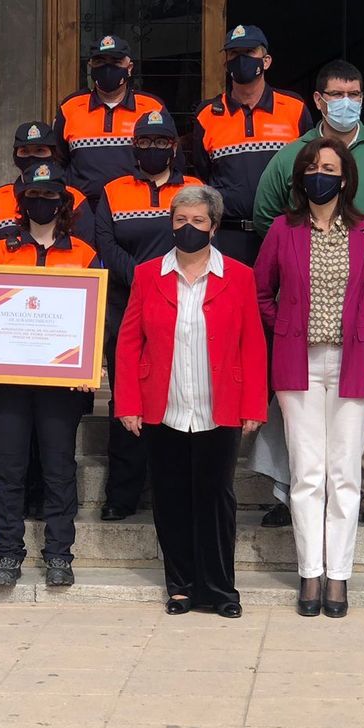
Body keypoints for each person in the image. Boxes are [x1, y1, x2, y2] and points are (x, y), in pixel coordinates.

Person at [253, 59, 364, 534]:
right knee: (299, 401)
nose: (347, 102)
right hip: (306, 298)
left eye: (355, 93)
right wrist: (293, 260)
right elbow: (268, 215)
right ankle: (290, 493)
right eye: (337, 94)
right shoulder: (292, 156)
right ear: (319, 100)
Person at [255, 139, 364, 619]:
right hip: (298, 365)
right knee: (306, 473)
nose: (321, 174)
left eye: (330, 168)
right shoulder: (282, 229)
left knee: (344, 474)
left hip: (353, 364)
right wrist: (288, 326)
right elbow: (261, 292)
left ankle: (338, 576)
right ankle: (309, 572)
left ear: (345, 177)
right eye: (313, 167)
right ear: (301, 176)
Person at [115, 185, 267, 617]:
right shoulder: (148, 275)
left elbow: (253, 344)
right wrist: (127, 402)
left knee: (217, 498)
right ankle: (180, 586)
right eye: (181, 221)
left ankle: (220, 590)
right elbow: (128, 344)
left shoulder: (239, 275)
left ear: (214, 227)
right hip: (164, 406)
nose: (189, 228)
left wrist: (254, 404)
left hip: (220, 407)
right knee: (170, 498)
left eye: (198, 221)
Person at [0, 161, 101, 590]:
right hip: (9, 382)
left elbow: (92, 317)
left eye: (49, 196)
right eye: (33, 194)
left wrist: (92, 363)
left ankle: (60, 554)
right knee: (8, 469)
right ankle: (8, 553)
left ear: (63, 202)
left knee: (59, 469)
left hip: (61, 384)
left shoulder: (83, 252)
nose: (40, 202)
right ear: (20, 200)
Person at [93, 109, 203, 521]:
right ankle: (122, 494)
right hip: (128, 306)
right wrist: (145, 279)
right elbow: (105, 243)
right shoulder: (113, 190)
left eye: (161, 142)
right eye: (145, 142)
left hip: (184, 303)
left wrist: (165, 279)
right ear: (133, 146)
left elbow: (203, 236)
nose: (153, 149)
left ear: (174, 146)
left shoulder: (194, 188)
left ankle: (169, 491)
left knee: (177, 397)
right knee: (128, 398)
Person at [190, 24, 313, 265]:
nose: (241, 60)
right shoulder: (207, 115)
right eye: (234, 54)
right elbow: (203, 174)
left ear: (266, 61)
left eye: (249, 52)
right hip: (227, 237)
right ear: (226, 63)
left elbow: (310, 168)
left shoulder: (294, 108)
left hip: (283, 232)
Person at [54, 34, 168, 205]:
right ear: (90, 66)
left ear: (129, 68)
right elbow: (57, 161)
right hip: (83, 210)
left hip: (136, 208)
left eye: (115, 63)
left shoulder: (152, 107)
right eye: (100, 62)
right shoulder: (70, 107)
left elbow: (172, 160)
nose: (107, 68)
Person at [0, 122, 89, 237]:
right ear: (15, 157)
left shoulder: (75, 199)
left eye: (40, 150)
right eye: (24, 151)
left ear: (53, 154)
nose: (32, 156)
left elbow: (86, 249)